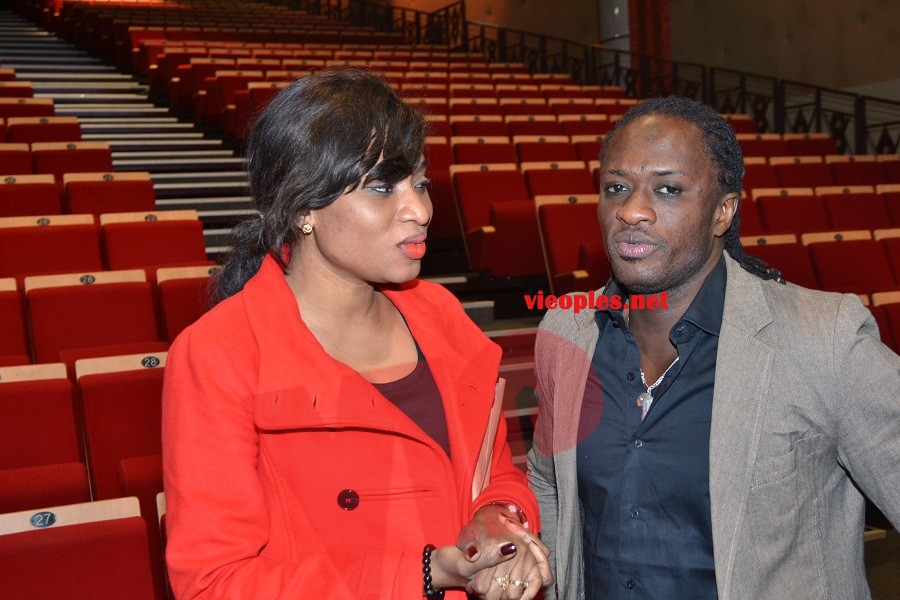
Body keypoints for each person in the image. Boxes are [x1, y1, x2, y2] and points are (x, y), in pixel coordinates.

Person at [162, 69, 552, 600]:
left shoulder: (439, 314)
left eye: (419, 183)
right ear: (303, 208)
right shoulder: (220, 354)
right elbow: (214, 584)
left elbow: (496, 475)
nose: (419, 210)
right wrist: (423, 574)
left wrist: (497, 524)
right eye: (382, 187)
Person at [527, 96, 900, 600]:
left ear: (723, 211)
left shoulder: (823, 339)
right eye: (616, 187)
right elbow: (549, 480)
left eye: (668, 189)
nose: (632, 211)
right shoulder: (567, 330)